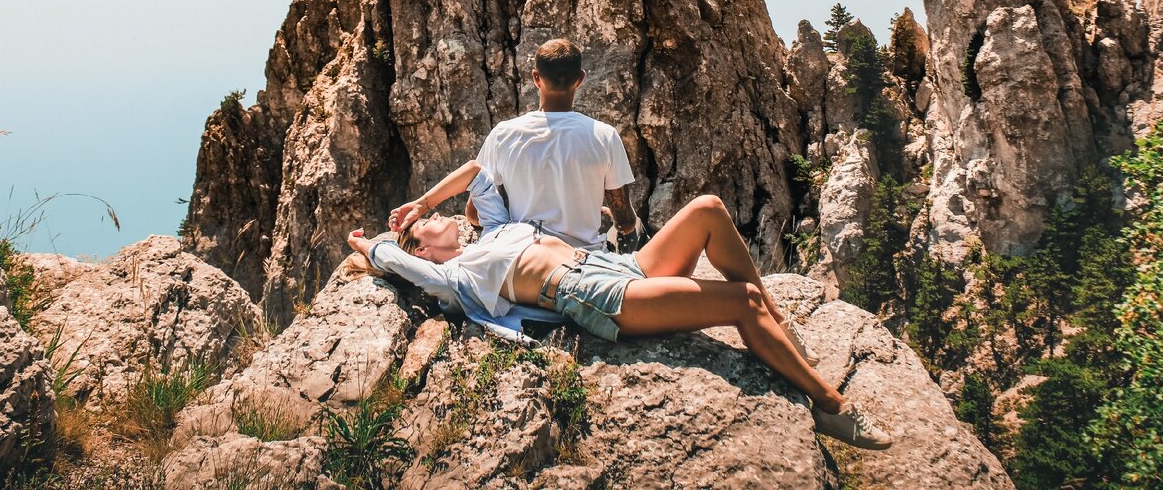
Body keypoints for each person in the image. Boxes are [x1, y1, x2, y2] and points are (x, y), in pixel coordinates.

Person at [351, 164, 893, 452]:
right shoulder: (458, 276)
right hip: (596, 297)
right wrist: (374, 247)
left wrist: (425, 201)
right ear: (421, 249)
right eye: (420, 228)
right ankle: (831, 406)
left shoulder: (485, 232)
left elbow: (478, 170)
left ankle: (780, 325)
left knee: (707, 209)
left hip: (619, 267)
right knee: (740, 303)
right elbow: (408, 269)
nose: (427, 220)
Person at [390, 38, 641, 251]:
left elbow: (474, 214)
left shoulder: (504, 134)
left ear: (535, 78)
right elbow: (624, 220)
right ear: (580, 79)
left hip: (525, 256)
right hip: (584, 258)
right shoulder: (604, 135)